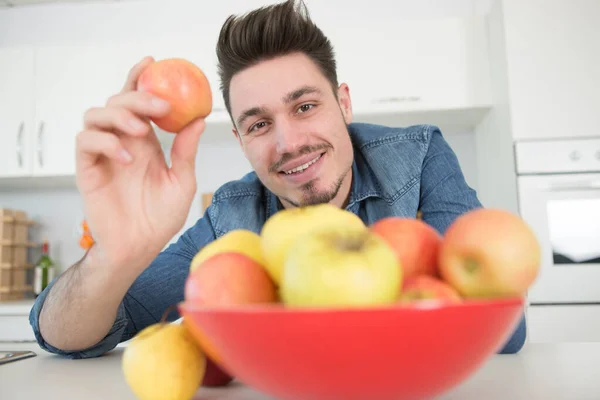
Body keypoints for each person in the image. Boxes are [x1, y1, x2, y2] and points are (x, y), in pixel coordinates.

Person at [29, 0, 526, 358]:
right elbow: (63, 335)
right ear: (242, 141)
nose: (288, 143)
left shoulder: (418, 158)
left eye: (305, 106)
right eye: (259, 124)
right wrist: (115, 256)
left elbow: (504, 329)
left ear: (344, 103)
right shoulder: (231, 217)